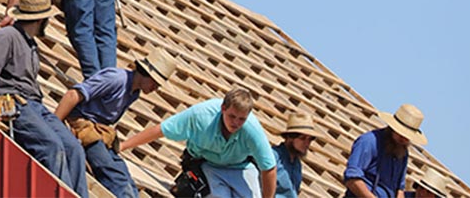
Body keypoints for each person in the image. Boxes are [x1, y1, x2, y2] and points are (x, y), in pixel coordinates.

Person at [0, 0, 89, 198]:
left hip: (35, 104)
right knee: (51, 147)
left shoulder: (30, 43)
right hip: (14, 102)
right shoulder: (7, 36)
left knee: (74, 149)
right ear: (41, 19)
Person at [55, 51, 177, 198]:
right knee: (112, 173)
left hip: (99, 132)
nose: (155, 88)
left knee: (124, 175)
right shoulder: (116, 79)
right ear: (146, 73)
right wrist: (55, 126)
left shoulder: (134, 93)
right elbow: (73, 95)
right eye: (155, 83)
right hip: (83, 126)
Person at [119, 88, 278, 198]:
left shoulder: (252, 130)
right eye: (232, 116)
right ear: (223, 108)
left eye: (241, 119)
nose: (235, 123)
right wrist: (123, 146)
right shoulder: (201, 116)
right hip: (206, 164)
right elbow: (160, 130)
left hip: (239, 167)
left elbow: (269, 168)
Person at [343, 104, 426, 198]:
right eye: (401, 134)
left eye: (407, 136)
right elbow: (352, 179)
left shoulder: (402, 152)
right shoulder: (369, 142)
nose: (403, 138)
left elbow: (399, 189)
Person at [271, 113, 320, 198]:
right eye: (303, 138)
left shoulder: (297, 164)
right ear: (290, 137)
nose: (307, 143)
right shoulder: (273, 157)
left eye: (310, 139)